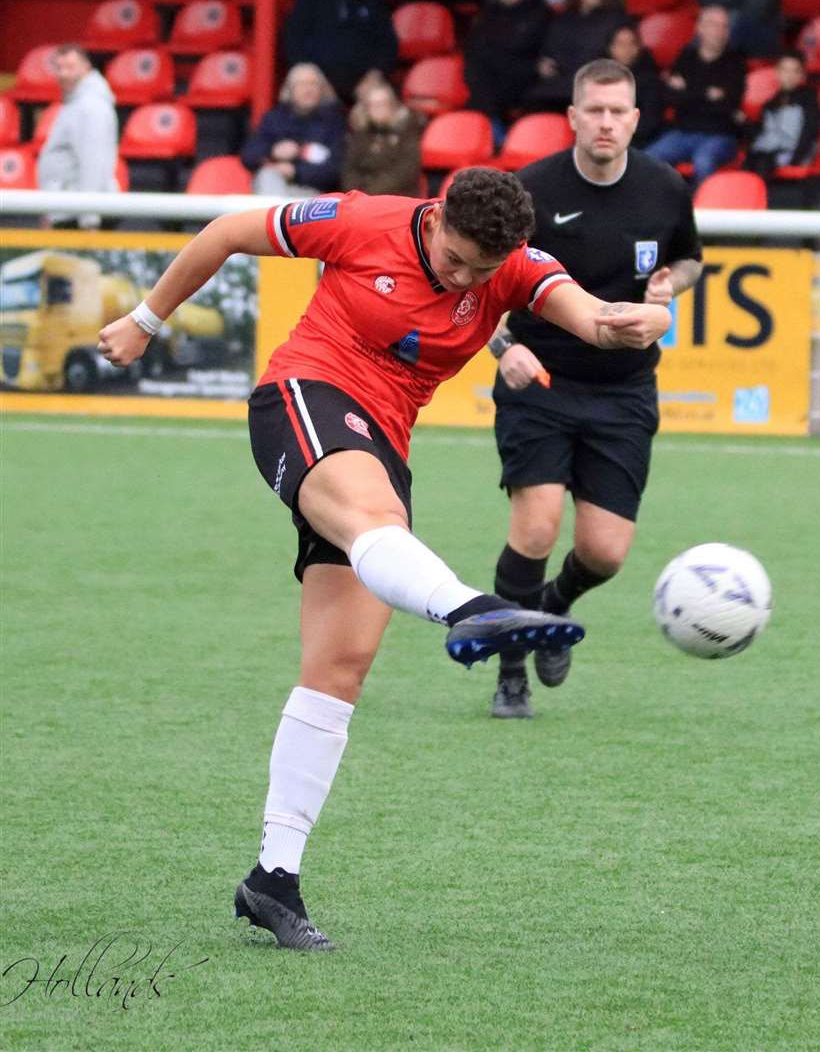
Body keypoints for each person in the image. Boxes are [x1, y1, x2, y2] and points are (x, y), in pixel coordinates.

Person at [94, 167, 672, 950]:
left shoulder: (513, 265)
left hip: (381, 440)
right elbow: (230, 231)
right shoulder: (362, 221)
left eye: (480, 271)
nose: (463, 279)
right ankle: (472, 609)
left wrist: (629, 323)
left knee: (341, 667)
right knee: (376, 516)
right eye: (455, 258)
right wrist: (146, 317)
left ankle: (273, 878)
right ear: (434, 219)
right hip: (306, 395)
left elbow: (592, 318)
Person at [483, 59, 703, 719]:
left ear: (634, 120)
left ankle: (552, 607)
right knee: (536, 528)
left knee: (604, 553)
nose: (606, 122)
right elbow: (480, 283)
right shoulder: (529, 192)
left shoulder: (664, 188)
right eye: (594, 111)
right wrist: (505, 348)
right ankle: (511, 673)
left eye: (618, 112)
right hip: (541, 382)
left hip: (623, 392)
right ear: (573, 117)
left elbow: (689, 257)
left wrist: (671, 287)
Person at [646, 5, 749, 185]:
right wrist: (707, 94)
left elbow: (728, 105)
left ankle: (704, 210)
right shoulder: (685, 57)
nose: (719, 31)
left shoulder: (736, 62)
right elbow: (671, 99)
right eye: (713, 24)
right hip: (682, 132)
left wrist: (688, 91)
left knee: (703, 161)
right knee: (649, 158)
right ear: (699, 28)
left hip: (720, 135)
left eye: (724, 26)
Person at [282, 0, 399, 106]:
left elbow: (388, 45)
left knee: (381, 99)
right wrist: (317, 80)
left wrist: (375, 75)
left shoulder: (374, 0)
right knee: (303, 87)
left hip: (364, 83)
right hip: (319, 81)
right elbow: (293, 44)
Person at [35, 45, 117, 229]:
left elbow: (92, 163)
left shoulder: (90, 107)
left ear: (86, 67)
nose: (63, 74)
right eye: (58, 67)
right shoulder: (76, 103)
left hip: (78, 215)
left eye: (70, 67)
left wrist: (89, 219)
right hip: (68, 208)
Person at [524, 0, 629, 113]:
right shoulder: (562, 20)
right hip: (557, 86)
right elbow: (549, 52)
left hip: (592, 86)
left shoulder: (615, 20)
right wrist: (542, 64)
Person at [241, 64, 348, 198]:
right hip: (273, 184)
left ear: (322, 89)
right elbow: (248, 156)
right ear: (289, 90)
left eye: (313, 84)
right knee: (267, 177)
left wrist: (294, 171)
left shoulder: (334, 122)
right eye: (302, 84)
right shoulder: (274, 118)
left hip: (315, 194)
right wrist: (273, 151)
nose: (308, 90)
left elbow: (337, 170)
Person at [464, 0, 551, 134]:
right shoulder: (487, 15)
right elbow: (475, 53)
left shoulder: (541, 15)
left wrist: (528, 66)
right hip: (487, 85)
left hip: (523, 84)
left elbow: (540, 63)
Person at [743, 50, 820, 179]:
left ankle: (757, 197)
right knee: (748, 162)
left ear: (802, 75)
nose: (789, 76)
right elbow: (763, 133)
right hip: (769, 152)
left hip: (795, 152)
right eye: (785, 70)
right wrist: (745, 122)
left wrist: (796, 158)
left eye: (795, 71)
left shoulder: (809, 99)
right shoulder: (771, 103)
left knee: (762, 163)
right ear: (777, 73)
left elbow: (810, 131)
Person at [341, 81, 426, 196]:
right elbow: (349, 169)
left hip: (397, 195)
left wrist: (370, 194)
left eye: (382, 104)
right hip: (361, 197)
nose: (378, 109)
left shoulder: (409, 131)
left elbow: (405, 172)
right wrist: (355, 193)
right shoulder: (361, 134)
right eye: (373, 105)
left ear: (393, 105)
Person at [693, 0, 784, 58]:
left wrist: (728, 4)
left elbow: (760, 5)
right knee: (712, 23)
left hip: (759, 26)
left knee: (720, 26)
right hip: (726, 15)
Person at [606, 23, 665, 146]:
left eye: (631, 44)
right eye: (621, 44)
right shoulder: (600, 77)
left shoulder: (651, 80)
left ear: (638, 48)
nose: (626, 49)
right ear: (611, 48)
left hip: (637, 141)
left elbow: (649, 122)